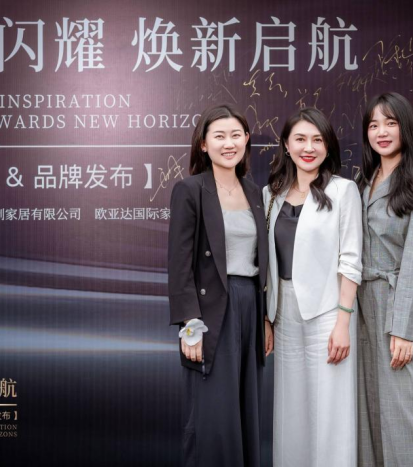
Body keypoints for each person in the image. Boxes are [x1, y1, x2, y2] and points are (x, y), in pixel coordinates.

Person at [167, 104, 273, 467]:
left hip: (250, 307)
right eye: (219, 136)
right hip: (211, 311)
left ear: (246, 139)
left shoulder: (255, 192)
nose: (229, 143)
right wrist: (190, 326)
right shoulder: (190, 190)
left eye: (236, 135)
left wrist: (265, 318)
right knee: (213, 413)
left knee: (246, 409)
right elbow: (179, 264)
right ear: (203, 143)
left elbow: (261, 262)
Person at [263, 107, 363, 467]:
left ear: (328, 146)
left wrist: (343, 322)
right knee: (291, 409)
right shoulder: (270, 194)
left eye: (317, 140)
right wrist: (267, 319)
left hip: (329, 311)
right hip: (284, 313)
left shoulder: (343, 190)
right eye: (301, 139)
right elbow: (266, 263)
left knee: (331, 409)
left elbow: (351, 260)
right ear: (286, 145)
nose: (309, 148)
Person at [355, 92, 413, 466]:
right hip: (361, 310)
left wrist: (403, 330)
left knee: (407, 418)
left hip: (397, 307)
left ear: (405, 127)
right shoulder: (363, 181)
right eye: (374, 125)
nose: (381, 132)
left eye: (390, 123)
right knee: (371, 418)